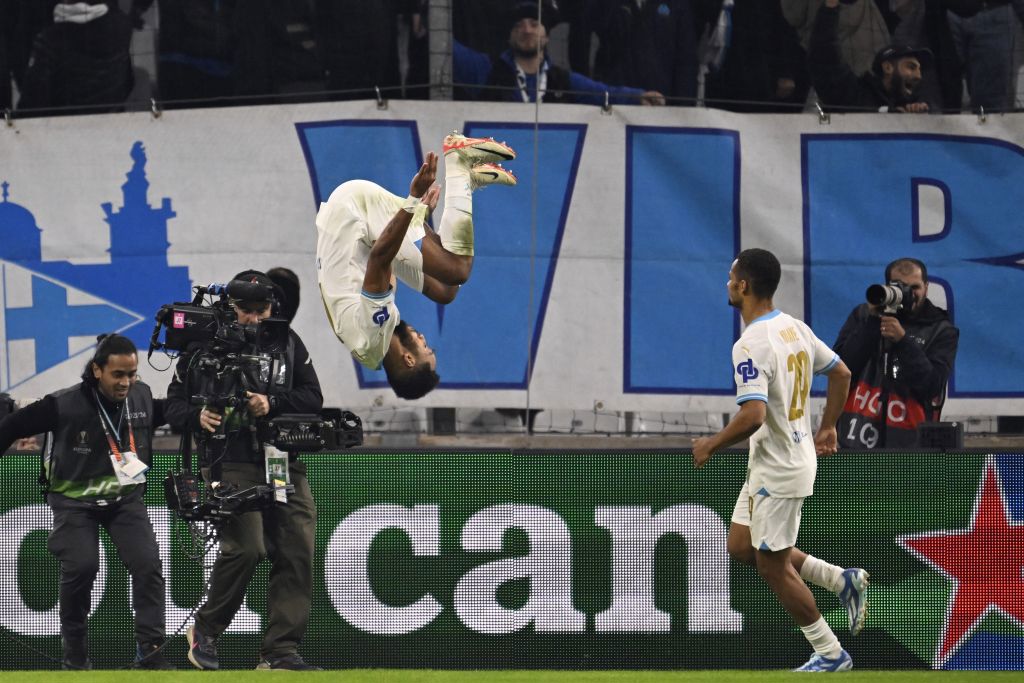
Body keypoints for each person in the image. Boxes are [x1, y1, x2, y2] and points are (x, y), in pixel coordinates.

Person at [692, 249, 864, 672]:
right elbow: (841, 373)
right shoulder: (794, 328)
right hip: (779, 458)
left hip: (780, 468)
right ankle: (838, 579)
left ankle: (831, 653)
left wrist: (711, 444)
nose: (728, 283)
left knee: (773, 566)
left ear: (743, 285)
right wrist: (827, 426)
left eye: (731, 277)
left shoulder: (751, 343)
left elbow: (753, 415)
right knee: (741, 546)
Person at [165, 269, 324, 671]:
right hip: (228, 458)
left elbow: (313, 396)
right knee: (247, 547)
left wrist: (272, 403)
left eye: (261, 309)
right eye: (245, 309)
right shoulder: (202, 345)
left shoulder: (287, 341)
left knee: (296, 548)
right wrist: (197, 416)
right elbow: (173, 406)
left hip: (281, 458)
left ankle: (280, 652)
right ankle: (205, 629)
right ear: (229, 306)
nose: (253, 317)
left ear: (272, 307)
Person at [0, 334, 171, 670]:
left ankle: (150, 653)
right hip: (74, 502)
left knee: (148, 564)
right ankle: (75, 656)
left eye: (131, 374)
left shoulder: (141, 397)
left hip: (124, 500)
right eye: (118, 374)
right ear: (97, 370)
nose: (126, 382)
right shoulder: (61, 404)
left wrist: (200, 414)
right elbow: (10, 426)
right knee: (82, 566)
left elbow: (172, 413)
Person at [315, 132, 516, 399]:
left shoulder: (374, 331)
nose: (423, 340)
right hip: (359, 229)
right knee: (446, 290)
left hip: (356, 211)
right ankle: (466, 183)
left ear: (409, 359)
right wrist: (420, 223)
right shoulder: (372, 350)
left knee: (458, 269)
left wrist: (412, 202)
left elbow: (380, 257)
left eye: (426, 350)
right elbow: (385, 262)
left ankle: (459, 161)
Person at [833, 257, 959, 449]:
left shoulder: (941, 330)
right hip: (855, 436)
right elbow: (840, 369)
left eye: (915, 287)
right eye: (900, 287)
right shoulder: (864, 315)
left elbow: (932, 386)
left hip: (911, 443)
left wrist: (903, 341)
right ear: (888, 287)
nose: (909, 294)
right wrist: (873, 322)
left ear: (926, 287)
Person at [453, 0, 665, 105]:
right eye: (518, 26)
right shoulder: (486, 70)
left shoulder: (562, 80)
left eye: (534, 24)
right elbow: (447, 48)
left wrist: (637, 97)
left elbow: (603, 93)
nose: (526, 30)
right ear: (509, 37)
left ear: (546, 36)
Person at [808, 0, 932, 112]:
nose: (919, 76)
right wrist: (831, 6)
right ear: (888, 67)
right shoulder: (855, 95)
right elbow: (825, 57)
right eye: (911, 67)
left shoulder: (917, 110)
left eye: (919, 70)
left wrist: (920, 118)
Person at [17, 0, 134, 115]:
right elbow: (128, 83)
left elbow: (29, 109)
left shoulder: (50, 41)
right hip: (112, 121)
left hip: (66, 124)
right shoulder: (123, 23)